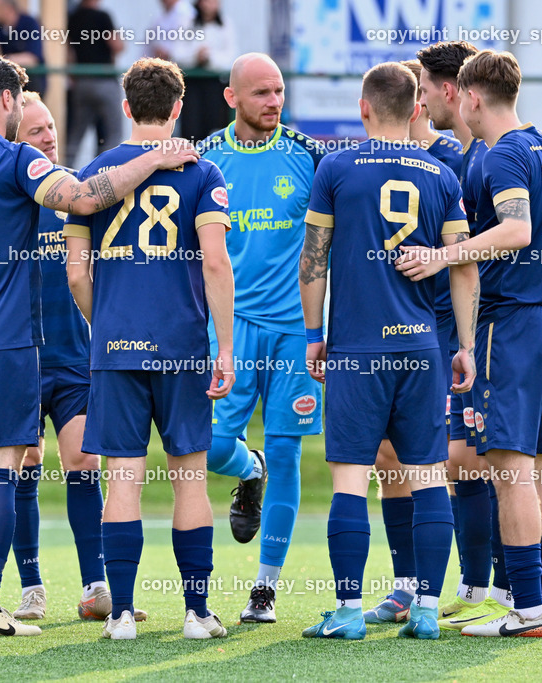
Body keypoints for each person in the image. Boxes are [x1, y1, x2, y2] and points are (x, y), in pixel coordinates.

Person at [0, 55, 200, 637]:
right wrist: (157, 155)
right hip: (5, 343)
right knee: (2, 470)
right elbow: (81, 197)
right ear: (7, 101)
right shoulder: (18, 159)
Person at [395, 49, 542, 637]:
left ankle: (524, 610)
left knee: (509, 471)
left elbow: (516, 229)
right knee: (535, 471)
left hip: (514, 323)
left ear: (469, 97)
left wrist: (441, 255)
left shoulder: (502, 155)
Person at [299, 61, 479, 640]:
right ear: (417, 110)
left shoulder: (336, 168)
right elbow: (464, 267)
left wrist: (313, 336)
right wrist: (468, 346)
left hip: (356, 348)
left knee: (351, 478)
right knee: (428, 476)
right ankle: (426, 609)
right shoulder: (440, 174)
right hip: (423, 348)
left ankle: (349, 611)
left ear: (363, 108)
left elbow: (314, 262)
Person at [64, 57, 235, 641]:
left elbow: (75, 275)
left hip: (116, 348)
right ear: (180, 108)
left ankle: (120, 616)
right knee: (189, 478)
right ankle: (196, 612)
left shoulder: (93, 176)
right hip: (182, 346)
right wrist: (226, 346)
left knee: (124, 480)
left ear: (127, 107)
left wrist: (105, 323)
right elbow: (215, 262)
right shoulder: (202, 171)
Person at [195, 53, 325, 624]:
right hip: (228, 331)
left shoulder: (310, 157)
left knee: (287, 450)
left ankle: (264, 591)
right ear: (232, 98)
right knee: (206, 447)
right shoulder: (203, 159)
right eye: (260, 93)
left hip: (296, 331)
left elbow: (335, 238)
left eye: (278, 91)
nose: (273, 102)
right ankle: (247, 472)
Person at [9, 91, 145, 623]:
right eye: (34, 132)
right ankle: (31, 584)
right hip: (18, 358)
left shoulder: (73, 191)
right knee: (22, 465)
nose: (47, 137)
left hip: (72, 359)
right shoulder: (3, 198)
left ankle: (96, 585)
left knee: (84, 461)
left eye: (49, 127)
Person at [361, 57, 468, 628]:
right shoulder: (366, 163)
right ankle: (406, 586)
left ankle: (471, 584)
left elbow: (472, 250)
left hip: (440, 329)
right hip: (379, 333)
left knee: (452, 461)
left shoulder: (452, 162)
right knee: (385, 457)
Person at [414, 41, 515, 632]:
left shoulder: (481, 159)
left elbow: (516, 229)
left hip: (492, 326)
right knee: (473, 462)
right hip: (465, 324)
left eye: (426, 88)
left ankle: (509, 590)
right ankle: (479, 583)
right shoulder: (475, 155)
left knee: (487, 459)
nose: (422, 99)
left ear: (453, 92)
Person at [66, 0, 125, 163]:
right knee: (113, 134)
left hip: (82, 82)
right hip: (104, 81)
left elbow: (68, 51)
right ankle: (109, 172)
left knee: (76, 135)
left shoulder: (73, 17)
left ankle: (63, 171)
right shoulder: (102, 16)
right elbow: (117, 45)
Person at [172, 0, 237, 141]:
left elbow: (230, 58)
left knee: (214, 127)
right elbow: (178, 53)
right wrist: (196, 56)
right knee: (191, 129)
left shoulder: (225, 24)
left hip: (215, 85)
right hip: (191, 85)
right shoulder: (187, 23)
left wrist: (209, 58)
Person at [0, 0, 46, 93]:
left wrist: (3, 61)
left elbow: (32, 59)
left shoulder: (29, 23)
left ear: (8, 9)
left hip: (30, 81)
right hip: (4, 79)